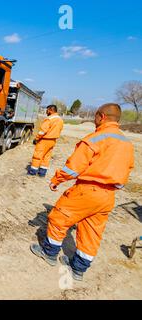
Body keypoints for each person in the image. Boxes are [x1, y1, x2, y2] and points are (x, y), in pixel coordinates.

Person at [30, 103, 135, 281]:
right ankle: (78, 269)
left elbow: (73, 168)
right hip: (108, 196)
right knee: (91, 232)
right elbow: (127, 169)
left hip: (87, 190)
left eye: (95, 116)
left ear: (101, 116)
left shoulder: (95, 138)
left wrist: (57, 179)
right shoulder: (127, 143)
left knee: (59, 218)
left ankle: (49, 253)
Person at [28, 105, 64, 177]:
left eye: (47, 110)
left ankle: (32, 172)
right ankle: (42, 173)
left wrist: (36, 138)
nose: (46, 112)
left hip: (44, 140)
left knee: (37, 155)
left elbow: (42, 131)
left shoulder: (49, 119)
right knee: (46, 157)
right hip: (53, 141)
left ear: (50, 110)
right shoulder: (60, 120)